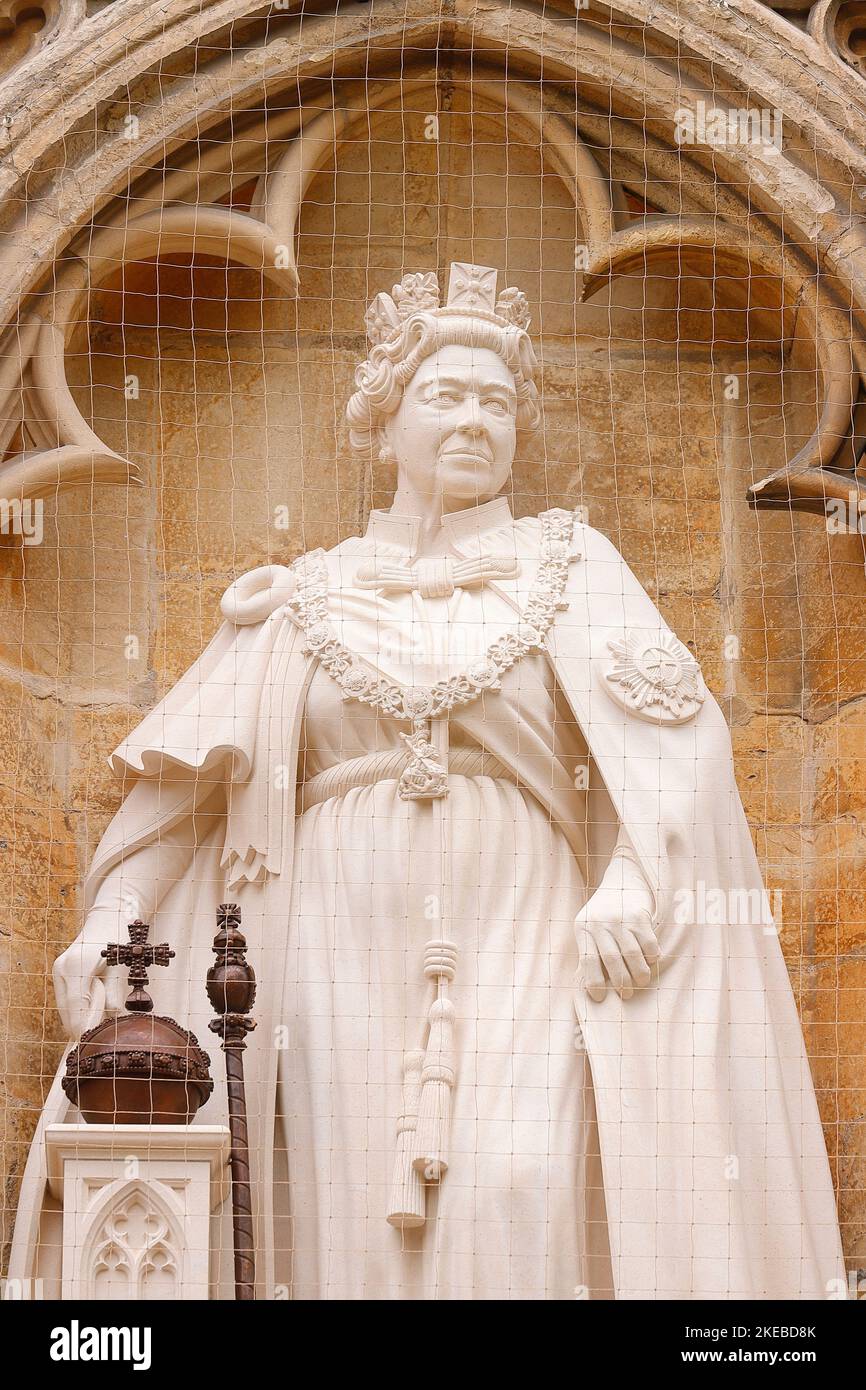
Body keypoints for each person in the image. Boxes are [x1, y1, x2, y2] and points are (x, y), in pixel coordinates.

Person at [10, 263, 845, 1300]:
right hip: (327, 940)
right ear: (384, 418)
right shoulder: (297, 598)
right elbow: (181, 792)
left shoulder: (570, 566)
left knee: (514, 1181)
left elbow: (675, 741)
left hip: (523, 924)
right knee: (342, 1212)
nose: (472, 421)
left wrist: (636, 874)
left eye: (495, 402)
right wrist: (112, 922)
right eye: (444, 396)